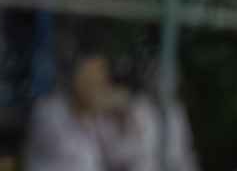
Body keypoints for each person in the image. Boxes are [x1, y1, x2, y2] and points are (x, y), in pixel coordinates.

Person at [24, 49, 154, 171]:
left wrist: (128, 114)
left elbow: (122, 153)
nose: (93, 86)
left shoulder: (96, 119)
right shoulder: (48, 110)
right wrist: (99, 106)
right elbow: (61, 143)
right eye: (88, 79)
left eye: (98, 80)